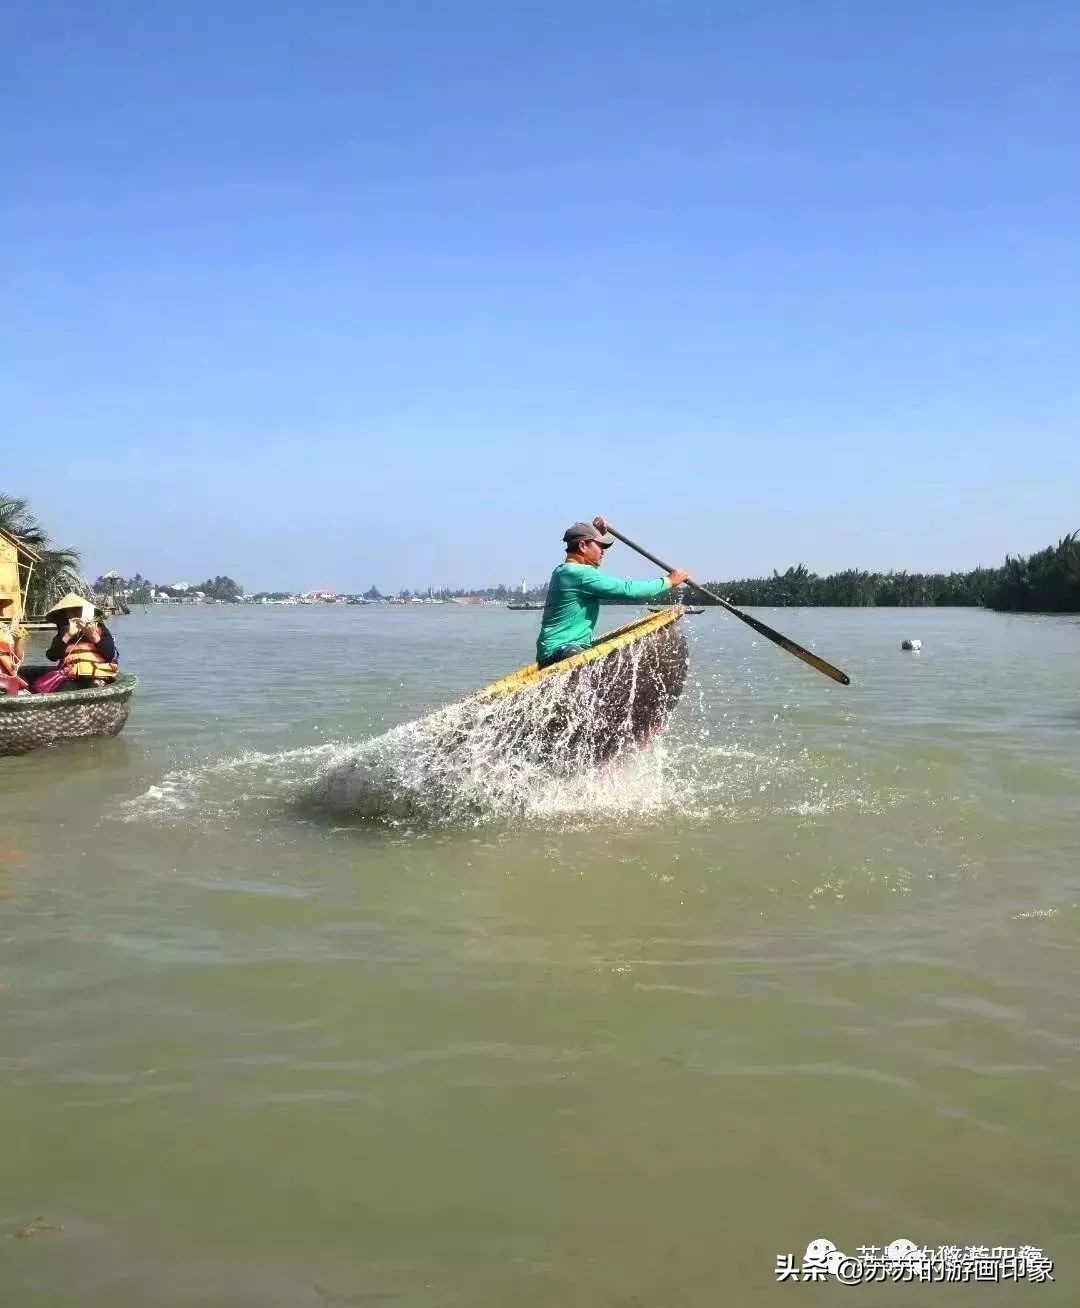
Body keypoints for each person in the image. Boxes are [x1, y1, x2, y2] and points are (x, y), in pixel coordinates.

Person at [536, 516, 690, 667]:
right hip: (561, 651)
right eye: (600, 547)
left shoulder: (562, 571)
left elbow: (593, 564)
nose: (603, 553)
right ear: (582, 546)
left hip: (549, 652)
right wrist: (669, 581)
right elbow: (629, 591)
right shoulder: (581, 574)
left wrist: (599, 535)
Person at [35, 593, 119, 692]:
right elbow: (51, 656)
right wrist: (68, 636)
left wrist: (94, 637)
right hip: (71, 678)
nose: (75, 614)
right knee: (66, 688)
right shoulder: (64, 632)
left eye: (78, 610)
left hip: (97, 677)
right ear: (65, 614)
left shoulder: (99, 629)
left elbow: (110, 654)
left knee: (95, 685)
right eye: (71, 611)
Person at [0, 594, 29, 695]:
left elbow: (17, 660)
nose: (2, 613)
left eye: (2, 606)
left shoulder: (4, 630)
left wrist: (17, 641)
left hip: (6, 680)